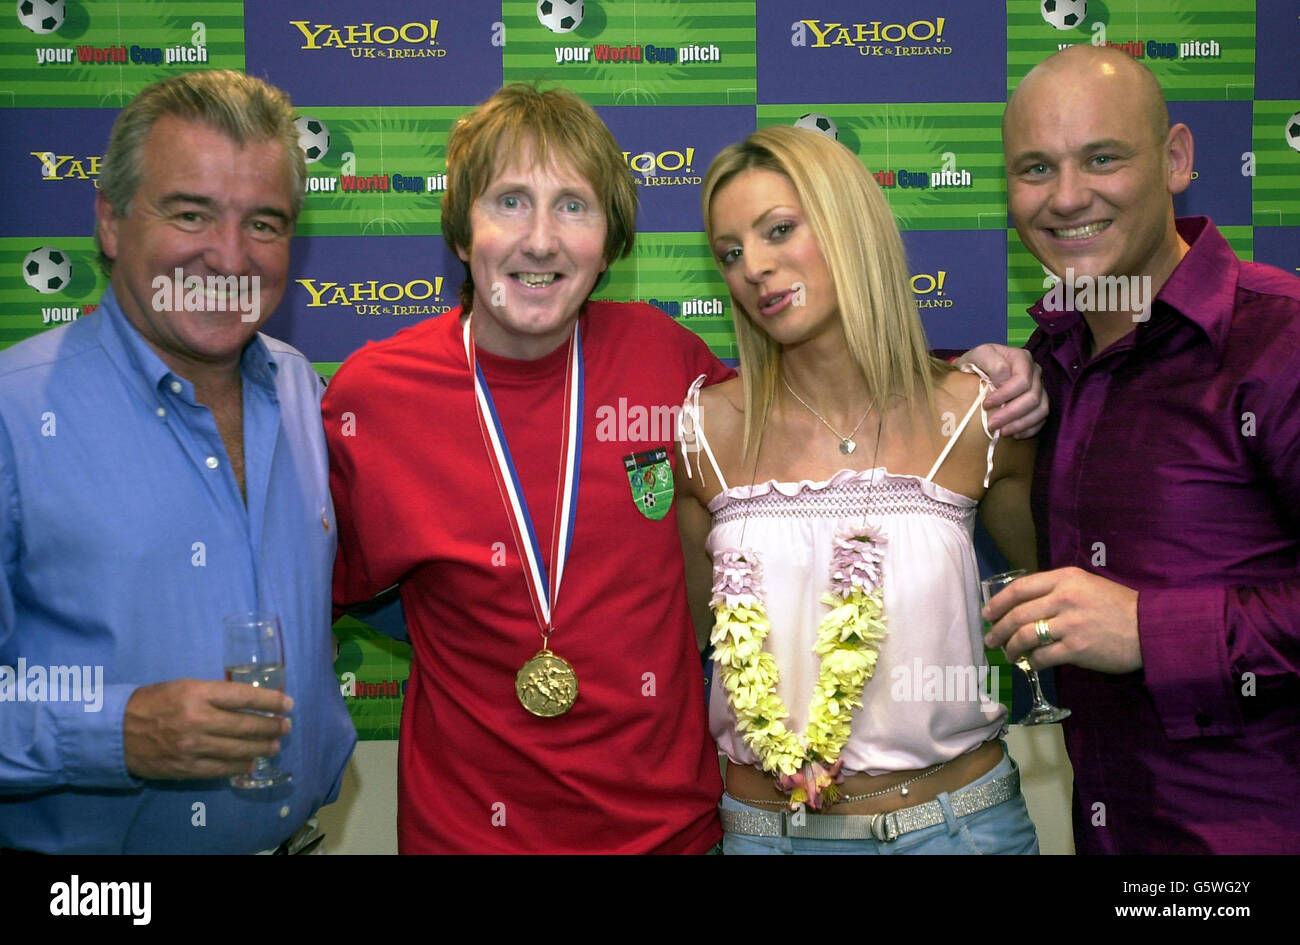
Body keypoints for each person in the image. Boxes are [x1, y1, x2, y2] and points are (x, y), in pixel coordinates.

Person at [324, 84, 1046, 854]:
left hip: (676, 835)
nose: (540, 241)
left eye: (573, 206)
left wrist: (981, 371)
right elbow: (312, 590)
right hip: (469, 837)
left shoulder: (668, 366)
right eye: (509, 201)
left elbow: (827, 395)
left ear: (611, 240)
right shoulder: (373, 399)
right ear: (461, 232)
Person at [0, 70, 355, 853]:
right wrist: (114, 732)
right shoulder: (13, 414)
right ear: (111, 222)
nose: (230, 258)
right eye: (191, 213)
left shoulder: (301, 387)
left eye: (264, 223)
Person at [675, 124, 1041, 855]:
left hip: (959, 830)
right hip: (766, 836)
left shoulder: (976, 414)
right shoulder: (703, 430)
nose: (755, 267)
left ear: (850, 224)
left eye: (780, 230)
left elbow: (1053, 593)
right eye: (732, 252)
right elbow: (689, 646)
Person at [985, 45, 1300, 854]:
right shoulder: (1055, 358)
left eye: (1101, 158)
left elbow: (1129, 624)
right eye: (1035, 168)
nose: (1066, 198)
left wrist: (1151, 628)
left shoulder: (1281, 335)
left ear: (1176, 159)